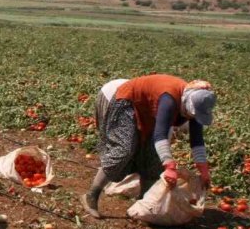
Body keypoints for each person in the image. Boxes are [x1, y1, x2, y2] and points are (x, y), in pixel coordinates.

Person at [81, 74, 216, 217]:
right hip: (127, 102)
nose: (193, 118)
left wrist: (203, 170)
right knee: (123, 151)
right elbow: (160, 135)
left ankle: (143, 204)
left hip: (148, 110)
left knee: (152, 159)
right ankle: (91, 196)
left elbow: (197, 140)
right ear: (188, 104)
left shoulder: (196, 107)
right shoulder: (169, 99)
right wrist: (170, 166)